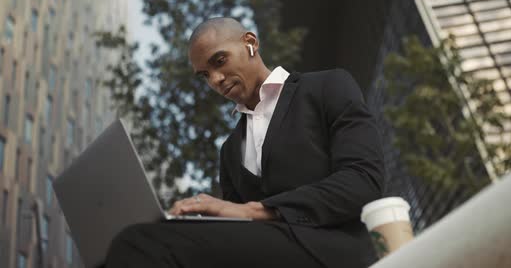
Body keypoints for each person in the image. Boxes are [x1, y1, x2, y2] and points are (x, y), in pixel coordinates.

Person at [104, 17, 385, 268]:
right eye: (204, 75)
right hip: (268, 256)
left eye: (219, 61)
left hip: (332, 250)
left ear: (250, 43)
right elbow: (234, 236)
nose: (215, 79)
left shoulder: (326, 87)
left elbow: (363, 181)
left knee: (138, 243)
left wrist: (252, 210)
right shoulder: (229, 151)